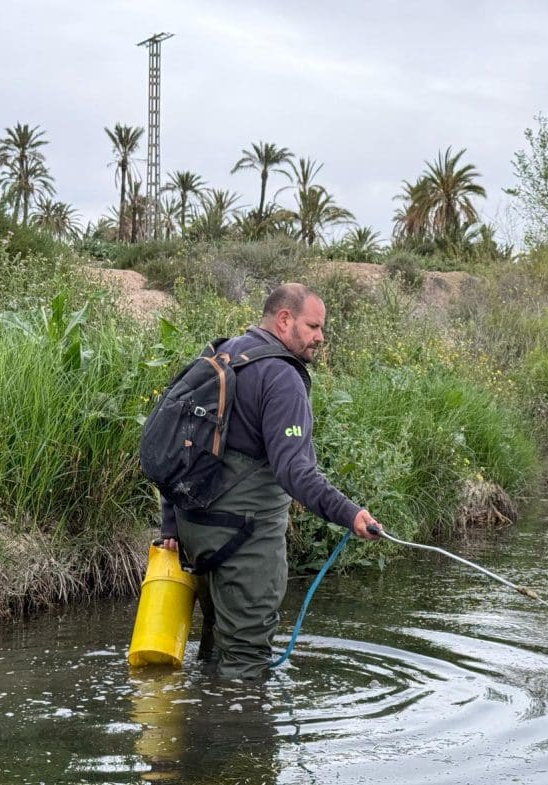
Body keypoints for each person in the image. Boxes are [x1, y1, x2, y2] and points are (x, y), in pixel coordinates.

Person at [159, 282, 381, 679]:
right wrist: (349, 514)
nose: (320, 337)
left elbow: (175, 447)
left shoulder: (221, 353)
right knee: (246, 661)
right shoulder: (282, 377)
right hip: (245, 541)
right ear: (284, 319)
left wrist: (171, 524)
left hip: (196, 534)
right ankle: (241, 719)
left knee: (216, 643)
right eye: (313, 326)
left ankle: (203, 713)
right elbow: (295, 471)